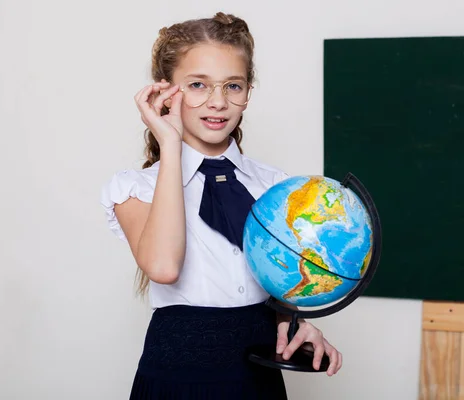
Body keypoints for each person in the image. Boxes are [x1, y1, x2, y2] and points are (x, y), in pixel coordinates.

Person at [100, 11, 342, 400]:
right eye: (198, 84)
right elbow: (163, 267)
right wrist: (170, 143)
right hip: (176, 376)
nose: (218, 102)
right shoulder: (135, 188)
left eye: (233, 85)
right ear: (165, 92)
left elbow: (279, 281)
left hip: (256, 377)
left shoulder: (277, 187)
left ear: (248, 91)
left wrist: (296, 323)